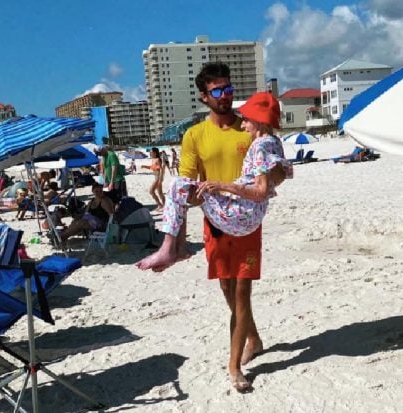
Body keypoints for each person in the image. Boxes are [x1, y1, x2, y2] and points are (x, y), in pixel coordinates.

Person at [153, 62, 266, 392]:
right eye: (218, 91)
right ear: (204, 97)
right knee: (228, 290)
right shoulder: (195, 135)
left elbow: (269, 169)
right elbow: (187, 183)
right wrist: (187, 197)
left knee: (243, 291)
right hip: (215, 224)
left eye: (229, 89)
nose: (226, 96)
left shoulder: (249, 129)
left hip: (247, 224)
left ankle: (234, 367)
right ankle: (253, 338)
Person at [136, 91, 291, 272]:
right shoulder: (274, 142)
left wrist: (222, 186)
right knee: (187, 190)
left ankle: (170, 249)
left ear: (260, 121)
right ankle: (178, 248)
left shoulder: (259, 146)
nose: (243, 125)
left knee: (178, 186)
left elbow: (261, 191)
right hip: (252, 215)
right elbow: (278, 178)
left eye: (247, 120)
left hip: (240, 215)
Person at [141, 147, 166, 212]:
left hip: (158, 177)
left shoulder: (158, 159)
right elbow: (152, 167)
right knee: (160, 193)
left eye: (151, 152)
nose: (150, 153)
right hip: (156, 177)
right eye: (150, 152)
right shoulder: (153, 159)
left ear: (155, 153)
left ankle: (160, 205)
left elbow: (161, 170)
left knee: (151, 191)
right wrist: (144, 166)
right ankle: (165, 206)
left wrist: (160, 179)